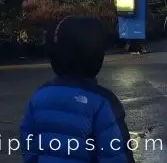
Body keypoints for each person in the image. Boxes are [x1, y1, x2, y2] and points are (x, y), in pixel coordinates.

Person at [20, 16, 134, 163]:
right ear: (96, 56)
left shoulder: (39, 96)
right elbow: (116, 155)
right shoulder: (102, 102)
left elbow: (28, 146)